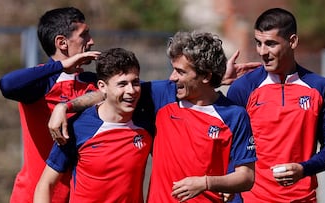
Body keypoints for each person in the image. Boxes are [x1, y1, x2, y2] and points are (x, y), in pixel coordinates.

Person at [48, 31, 257, 202]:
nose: (172, 77)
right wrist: (64, 107)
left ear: (205, 76)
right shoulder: (163, 95)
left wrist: (206, 183)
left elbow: (246, 177)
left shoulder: (234, 115)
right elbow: (111, 93)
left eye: (180, 72)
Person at [226, 8, 325, 202]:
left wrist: (304, 169)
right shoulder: (243, 88)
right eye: (258, 43)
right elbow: (226, 148)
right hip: (252, 199)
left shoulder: (320, 88)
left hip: (302, 198)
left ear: (292, 41)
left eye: (270, 44)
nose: (262, 52)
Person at [0, 7, 101, 203]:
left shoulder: (93, 81)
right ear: (62, 42)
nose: (91, 40)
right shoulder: (40, 82)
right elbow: (7, 85)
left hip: (78, 197)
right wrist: (62, 65)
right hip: (35, 196)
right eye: (84, 34)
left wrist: (66, 106)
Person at [33, 48, 152, 203]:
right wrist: (62, 106)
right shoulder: (78, 127)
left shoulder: (147, 122)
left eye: (135, 82)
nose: (131, 90)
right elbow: (46, 184)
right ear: (102, 86)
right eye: (122, 84)